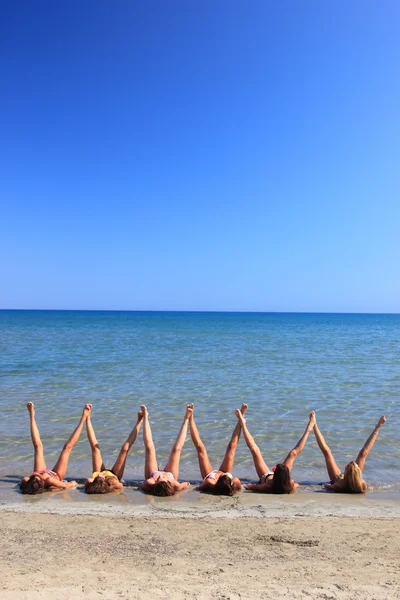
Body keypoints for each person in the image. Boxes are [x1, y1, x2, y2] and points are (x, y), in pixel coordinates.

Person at [235, 408, 316, 493]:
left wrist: (239, 485)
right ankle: (309, 429)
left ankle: (243, 424)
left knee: (255, 450)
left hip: (265, 476)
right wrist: (297, 485)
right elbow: (296, 485)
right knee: (293, 453)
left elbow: (250, 486)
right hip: (280, 480)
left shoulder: (267, 486)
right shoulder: (290, 484)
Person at [20, 402, 90, 494]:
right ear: (42, 482)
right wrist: (72, 484)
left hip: (40, 470)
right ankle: (83, 418)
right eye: (38, 479)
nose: (37, 477)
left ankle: (32, 415)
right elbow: (69, 485)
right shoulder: (49, 481)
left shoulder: (26, 480)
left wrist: (36, 476)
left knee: (38, 446)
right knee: (67, 448)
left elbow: (24, 482)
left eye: (34, 477)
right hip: (56, 474)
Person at [313, 414, 386, 493]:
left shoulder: (339, 484)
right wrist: (378, 427)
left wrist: (327, 485)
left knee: (327, 452)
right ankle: (377, 427)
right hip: (353, 479)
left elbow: (328, 486)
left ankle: (314, 425)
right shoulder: (362, 484)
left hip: (336, 478)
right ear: (358, 473)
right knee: (363, 453)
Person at [189, 403, 247, 496]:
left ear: (218, 481)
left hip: (209, 474)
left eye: (222, 476)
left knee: (200, 448)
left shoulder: (210, 482)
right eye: (225, 475)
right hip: (225, 483)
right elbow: (240, 486)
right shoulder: (234, 481)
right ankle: (242, 416)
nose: (222, 474)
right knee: (232, 447)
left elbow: (199, 488)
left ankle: (190, 417)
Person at [84, 405, 143, 494]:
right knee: (125, 449)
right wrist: (115, 488)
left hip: (100, 474)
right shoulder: (112, 482)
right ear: (104, 481)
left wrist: (98, 475)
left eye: (97, 477)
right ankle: (139, 421)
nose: (101, 474)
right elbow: (120, 487)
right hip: (114, 475)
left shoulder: (91, 480)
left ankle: (87, 418)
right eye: (101, 476)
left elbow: (89, 483)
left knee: (94, 447)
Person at [140, 404, 191, 496]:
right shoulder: (175, 484)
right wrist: (187, 484)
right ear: (169, 482)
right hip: (171, 473)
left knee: (149, 448)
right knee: (176, 449)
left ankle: (145, 417)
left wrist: (149, 481)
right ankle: (186, 419)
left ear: (156, 482)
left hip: (152, 473)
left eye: (160, 478)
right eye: (164, 478)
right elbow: (186, 484)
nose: (162, 476)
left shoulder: (150, 482)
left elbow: (141, 486)